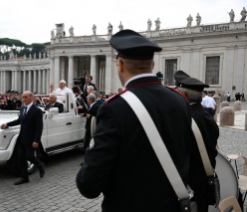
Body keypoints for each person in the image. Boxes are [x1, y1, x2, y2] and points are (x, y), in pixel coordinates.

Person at [76, 29, 194, 211]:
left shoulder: (114, 108)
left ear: (120, 65)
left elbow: (89, 185)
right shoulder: (180, 101)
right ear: (152, 64)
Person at [174, 71, 219, 212]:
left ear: (183, 95)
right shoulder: (208, 118)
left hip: (188, 185)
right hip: (204, 180)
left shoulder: (184, 119)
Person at [1, 91, 45, 185]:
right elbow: (19, 120)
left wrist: (36, 140)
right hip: (21, 138)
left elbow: (39, 127)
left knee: (29, 156)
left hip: (31, 138)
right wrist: (7, 124)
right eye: (23, 97)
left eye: (25, 97)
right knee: (20, 158)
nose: (24, 99)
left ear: (31, 98)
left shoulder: (37, 110)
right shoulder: (22, 108)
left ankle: (40, 165)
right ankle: (25, 177)